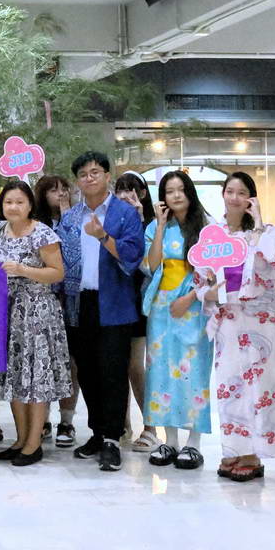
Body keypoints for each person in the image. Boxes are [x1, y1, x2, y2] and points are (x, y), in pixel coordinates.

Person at [56, 151, 144, 473]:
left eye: (95, 172)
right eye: (83, 174)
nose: (89, 178)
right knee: (88, 372)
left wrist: (103, 237)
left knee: (113, 372)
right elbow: (59, 262)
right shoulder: (69, 218)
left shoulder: (125, 213)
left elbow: (132, 257)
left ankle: (111, 438)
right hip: (78, 304)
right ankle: (96, 432)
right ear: (77, 182)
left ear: (108, 176)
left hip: (114, 304)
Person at [199, 172, 275, 483]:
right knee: (229, 384)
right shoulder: (213, 234)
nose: (235, 198)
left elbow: (271, 267)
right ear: (222, 194)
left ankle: (254, 454)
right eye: (230, 191)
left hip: (261, 319)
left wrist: (258, 223)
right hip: (228, 319)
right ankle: (233, 448)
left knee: (259, 386)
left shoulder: (268, 231)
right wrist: (207, 292)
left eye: (242, 192)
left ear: (251, 197)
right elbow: (201, 276)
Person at [0, 180, 69, 468]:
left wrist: (23, 270)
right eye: (8, 202)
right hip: (7, 312)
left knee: (36, 378)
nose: (13, 207)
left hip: (36, 314)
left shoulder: (42, 233)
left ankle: (34, 443)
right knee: (15, 377)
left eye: (19, 202)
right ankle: (20, 440)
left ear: (30, 204)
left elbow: (57, 273)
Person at [142, 170, 213, 471]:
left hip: (194, 305)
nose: (176, 195)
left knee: (194, 373)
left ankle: (193, 443)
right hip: (162, 307)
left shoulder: (207, 227)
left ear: (190, 192)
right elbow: (151, 265)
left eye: (181, 189)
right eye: (169, 191)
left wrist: (191, 297)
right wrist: (159, 226)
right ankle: (169, 440)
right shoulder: (156, 226)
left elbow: (214, 272)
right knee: (160, 372)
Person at [113, 171, 159, 453]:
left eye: (132, 189)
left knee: (135, 366)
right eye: (121, 189)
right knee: (116, 365)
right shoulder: (112, 220)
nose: (126, 195)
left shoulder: (152, 224)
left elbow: (149, 265)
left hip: (140, 303)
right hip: (115, 301)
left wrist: (141, 220)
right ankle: (123, 425)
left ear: (142, 193)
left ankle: (151, 427)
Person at [34, 173, 78, 447]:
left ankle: (67, 420)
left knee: (69, 362)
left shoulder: (76, 218)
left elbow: (74, 252)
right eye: (54, 190)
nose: (60, 194)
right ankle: (43, 420)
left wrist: (67, 217)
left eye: (64, 188)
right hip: (41, 300)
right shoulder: (35, 224)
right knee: (43, 360)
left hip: (70, 300)